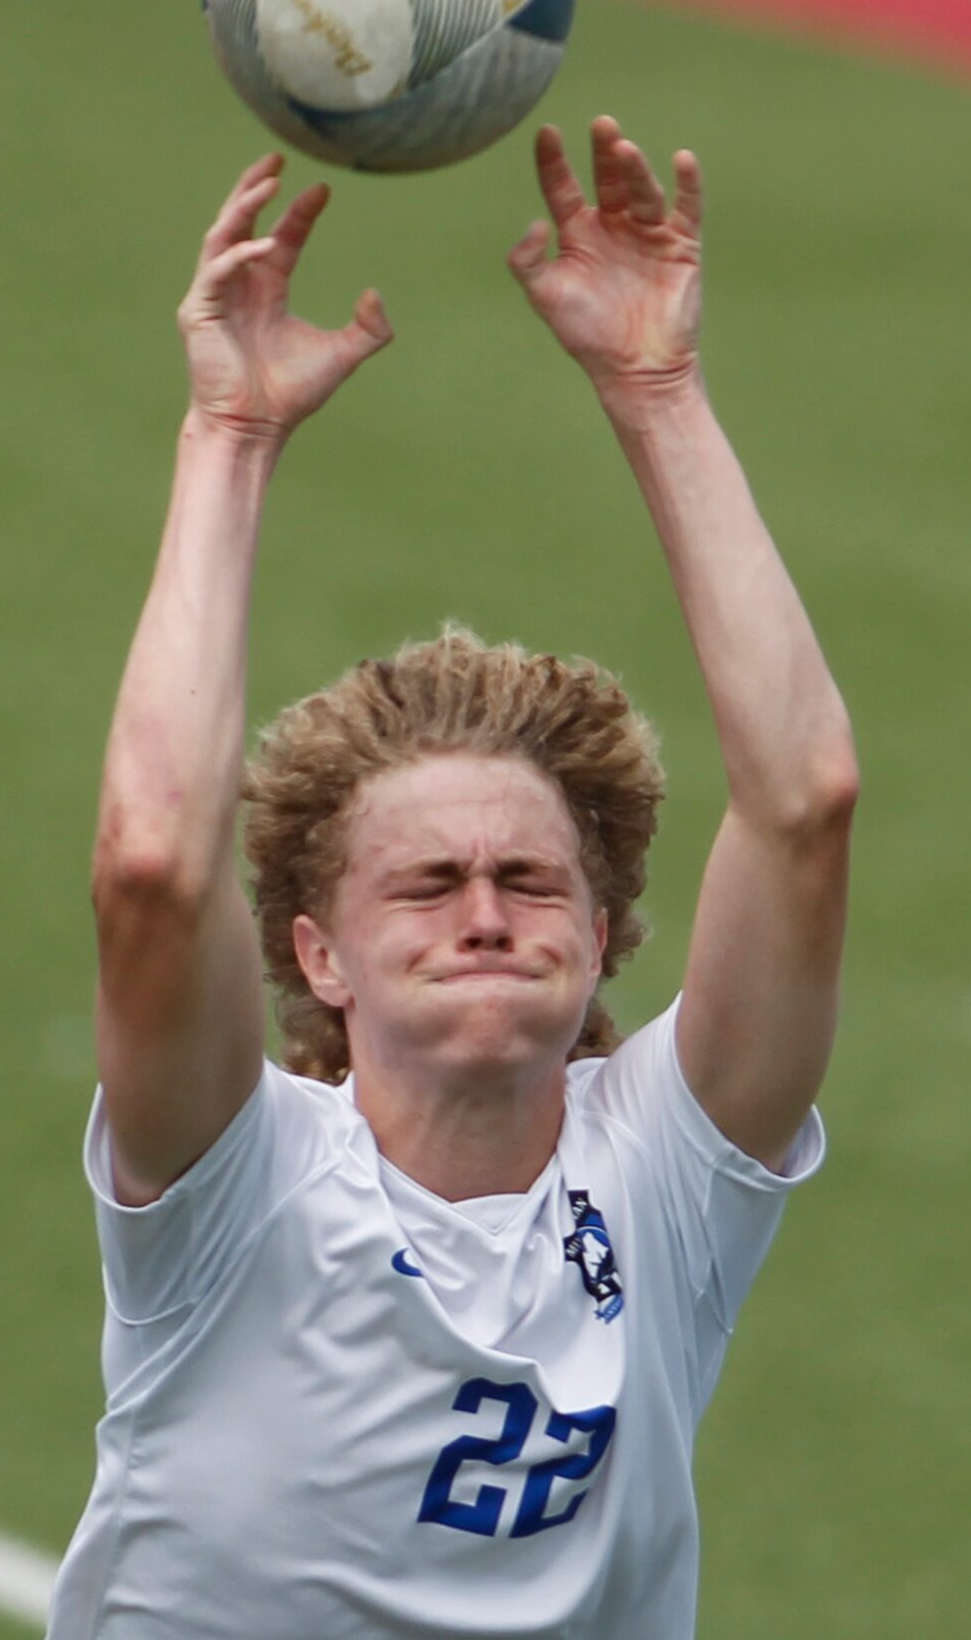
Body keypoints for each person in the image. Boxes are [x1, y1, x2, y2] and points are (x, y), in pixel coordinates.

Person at [46, 117, 857, 1639]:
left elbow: (804, 802)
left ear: (607, 935)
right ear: (321, 955)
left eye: (529, 881)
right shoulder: (243, 1185)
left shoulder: (664, 1183)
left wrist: (657, 389)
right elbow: (153, 864)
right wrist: (227, 439)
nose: (485, 911)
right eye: (422, 884)